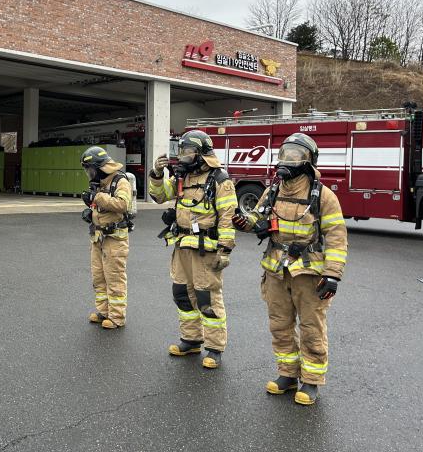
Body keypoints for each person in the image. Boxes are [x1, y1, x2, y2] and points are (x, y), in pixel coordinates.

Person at [232, 133, 347, 406]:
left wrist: (332, 274)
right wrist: (244, 222)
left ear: (308, 161)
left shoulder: (322, 196)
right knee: (280, 325)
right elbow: (257, 218)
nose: (287, 160)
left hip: (308, 275)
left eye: (295, 156)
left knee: (311, 327)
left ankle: (311, 381)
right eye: (285, 154)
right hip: (275, 270)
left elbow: (336, 236)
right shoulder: (273, 190)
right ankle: (287, 375)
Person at [148, 130, 236, 369]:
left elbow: (228, 216)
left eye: (187, 152)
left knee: (207, 298)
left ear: (201, 153)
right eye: (181, 152)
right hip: (182, 246)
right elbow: (158, 196)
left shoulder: (219, 180)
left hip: (205, 250)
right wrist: (156, 174)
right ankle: (191, 340)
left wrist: (225, 250)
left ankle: (215, 348)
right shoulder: (182, 177)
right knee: (182, 294)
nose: (183, 157)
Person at [80, 146, 133, 329]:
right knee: (99, 277)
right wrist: (91, 212)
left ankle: (117, 317)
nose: (89, 174)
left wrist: (98, 197)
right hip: (98, 237)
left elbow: (122, 204)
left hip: (114, 240)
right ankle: (104, 311)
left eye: (91, 169)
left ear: (99, 167)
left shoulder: (120, 180)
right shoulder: (100, 184)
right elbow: (102, 206)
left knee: (114, 278)